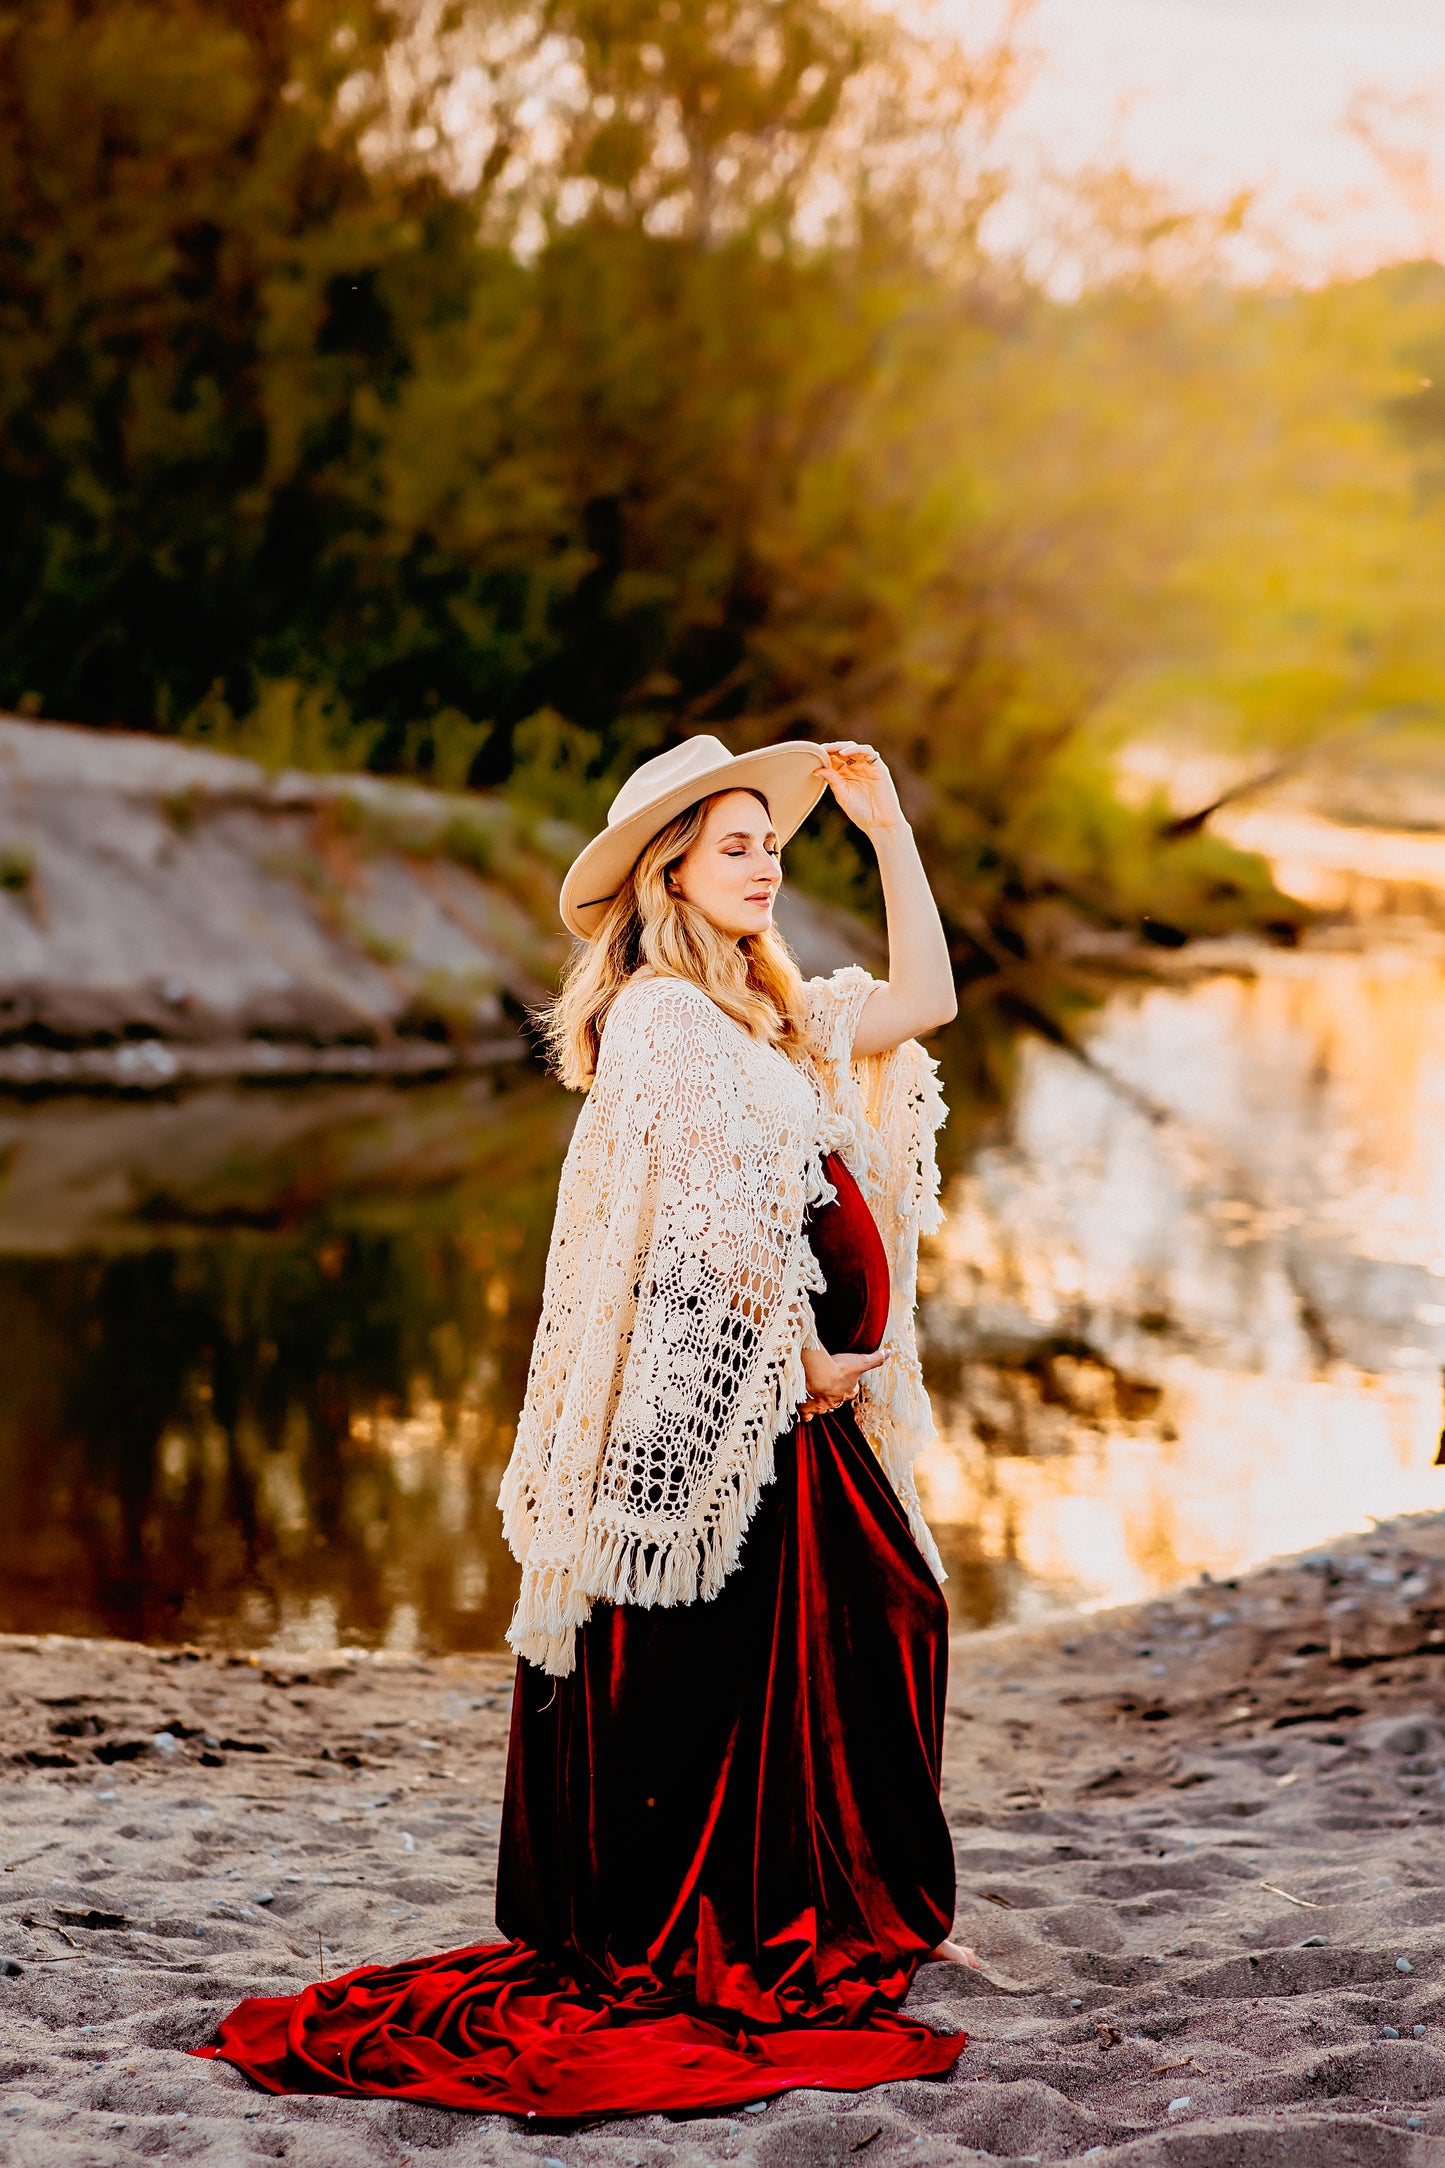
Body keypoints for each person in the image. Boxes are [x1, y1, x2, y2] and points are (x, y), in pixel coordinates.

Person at [195, 735, 972, 2122]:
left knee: (877, 1625)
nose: (764, 862)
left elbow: (925, 997)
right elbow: (693, 1221)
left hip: (795, 1409)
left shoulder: (761, 1011)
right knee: (800, 1651)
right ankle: (731, 1927)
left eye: (770, 843)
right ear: (667, 866)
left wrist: (887, 825)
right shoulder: (664, 1017)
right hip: (736, 1407)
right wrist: (793, 1353)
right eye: (732, 843)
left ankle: (809, 1909)